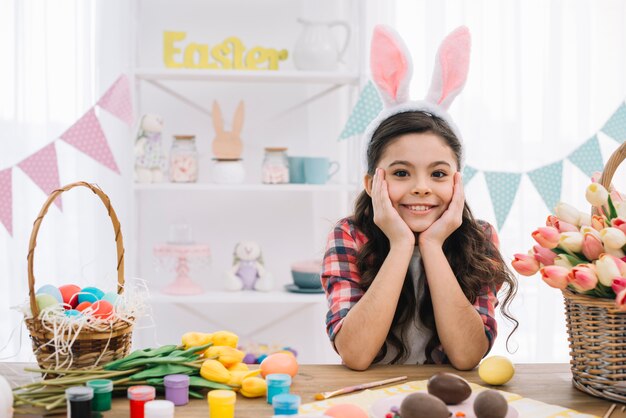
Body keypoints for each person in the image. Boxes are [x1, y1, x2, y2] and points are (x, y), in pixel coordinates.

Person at [321, 25, 517, 371]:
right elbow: (355, 354)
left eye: (438, 174)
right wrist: (399, 245)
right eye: (401, 173)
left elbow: (467, 355)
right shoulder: (349, 235)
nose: (421, 187)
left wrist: (433, 245)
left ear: (457, 181)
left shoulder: (479, 237)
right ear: (371, 182)